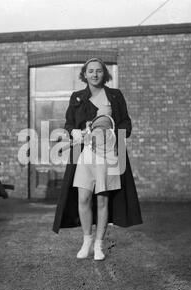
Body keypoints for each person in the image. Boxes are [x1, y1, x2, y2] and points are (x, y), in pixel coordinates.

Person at [53, 57, 142, 261]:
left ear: (105, 74)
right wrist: (74, 132)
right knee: (83, 198)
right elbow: (68, 124)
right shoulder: (76, 97)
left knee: (103, 200)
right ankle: (86, 241)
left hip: (108, 154)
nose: (94, 74)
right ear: (84, 74)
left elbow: (126, 125)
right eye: (90, 71)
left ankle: (99, 245)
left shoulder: (115, 96)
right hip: (83, 154)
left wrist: (112, 133)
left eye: (99, 71)